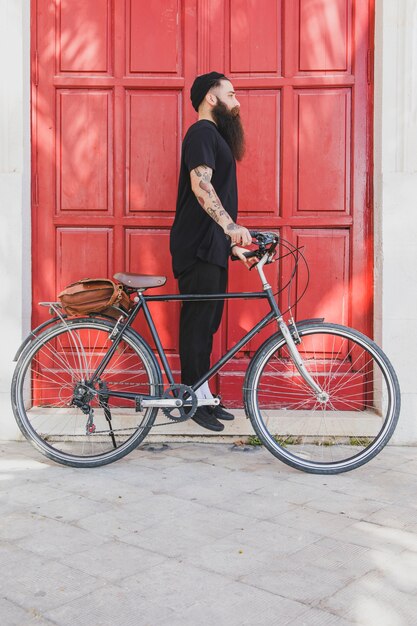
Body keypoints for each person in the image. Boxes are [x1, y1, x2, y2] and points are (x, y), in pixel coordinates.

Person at [170, 71, 254, 432]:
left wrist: (231, 244)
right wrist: (230, 226)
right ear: (211, 98)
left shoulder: (214, 136)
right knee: (197, 325)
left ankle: (201, 394)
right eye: (231, 94)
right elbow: (200, 184)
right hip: (198, 247)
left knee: (206, 327)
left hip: (212, 247)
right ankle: (191, 399)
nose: (237, 102)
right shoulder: (202, 133)